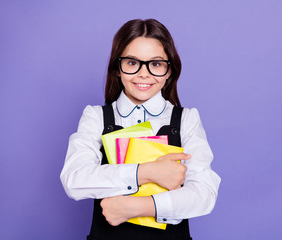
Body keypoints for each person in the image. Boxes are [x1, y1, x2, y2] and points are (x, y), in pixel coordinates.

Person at [60, 18, 221, 240]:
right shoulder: (96, 116)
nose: (143, 73)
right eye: (132, 62)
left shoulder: (186, 119)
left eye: (155, 64)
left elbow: (204, 195)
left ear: (169, 71)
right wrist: (146, 172)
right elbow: (75, 180)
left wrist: (137, 207)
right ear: (118, 68)